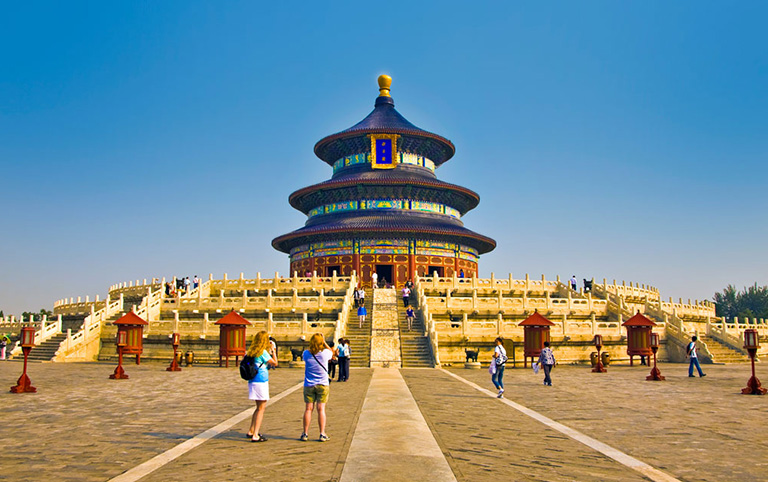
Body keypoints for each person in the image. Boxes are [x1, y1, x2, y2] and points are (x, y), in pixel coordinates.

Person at [245, 331, 278, 442]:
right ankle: (255, 435)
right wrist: (273, 351)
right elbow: (274, 363)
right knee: (261, 408)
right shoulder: (262, 352)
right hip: (261, 381)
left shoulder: (251, 351)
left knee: (258, 407)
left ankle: (251, 430)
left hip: (252, 381)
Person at [301, 333, 334, 442]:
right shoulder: (325, 354)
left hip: (309, 384)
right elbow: (332, 352)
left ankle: (305, 433)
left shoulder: (306, 353)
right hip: (323, 384)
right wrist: (324, 343)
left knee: (308, 409)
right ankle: (322, 433)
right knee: (321, 409)